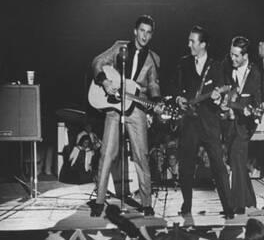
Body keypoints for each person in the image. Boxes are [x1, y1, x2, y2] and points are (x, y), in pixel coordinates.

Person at [90, 15, 162, 217]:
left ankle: (146, 203)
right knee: (107, 154)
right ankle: (99, 201)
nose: (144, 35)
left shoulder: (153, 59)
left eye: (148, 32)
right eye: (142, 31)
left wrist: (157, 103)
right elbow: (97, 62)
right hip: (114, 107)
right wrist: (104, 82)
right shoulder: (119, 47)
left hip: (136, 108)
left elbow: (153, 85)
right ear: (135, 31)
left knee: (142, 155)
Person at [175, 25, 233, 218]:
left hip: (209, 123)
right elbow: (178, 88)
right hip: (189, 123)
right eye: (189, 40)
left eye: (193, 41)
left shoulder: (216, 67)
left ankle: (228, 207)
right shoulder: (183, 63)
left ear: (203, 44)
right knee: (186, 166)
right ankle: (187, 205)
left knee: (218, 164)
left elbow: (224, 94)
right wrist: (179, 99)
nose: (188, 44)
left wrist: (217, 97)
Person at [222, 36, 263, 214]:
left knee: (236, 153)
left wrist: (252, 110)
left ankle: (237, 204)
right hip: (232, 120)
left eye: (236, 56)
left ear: (245, 56)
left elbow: (260, 102)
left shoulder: (255, 74)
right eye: (231, 54)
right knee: (235, 158)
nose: (233, 58)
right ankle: (250, 200)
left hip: (247, 122)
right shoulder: (228, 66)